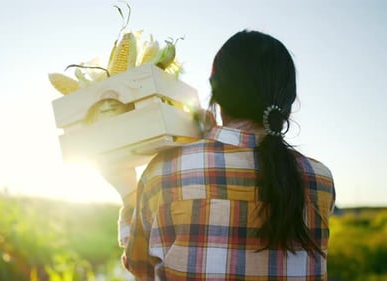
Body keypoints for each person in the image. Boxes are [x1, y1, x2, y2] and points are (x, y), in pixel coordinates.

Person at [102, 30, 335, 280]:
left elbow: (141, 268)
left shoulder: (166, 170)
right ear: (289, 100)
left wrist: (128, 192)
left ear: (217, 96)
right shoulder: (320, 179)